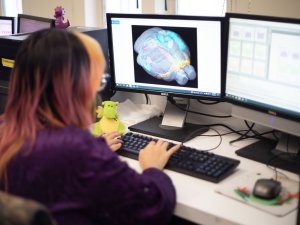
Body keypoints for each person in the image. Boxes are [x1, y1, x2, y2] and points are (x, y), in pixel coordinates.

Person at [0, 29, 181, 225]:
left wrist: (94, 151)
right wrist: (153, 167)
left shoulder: (6, 128)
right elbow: (152, 206)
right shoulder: (77, 149)